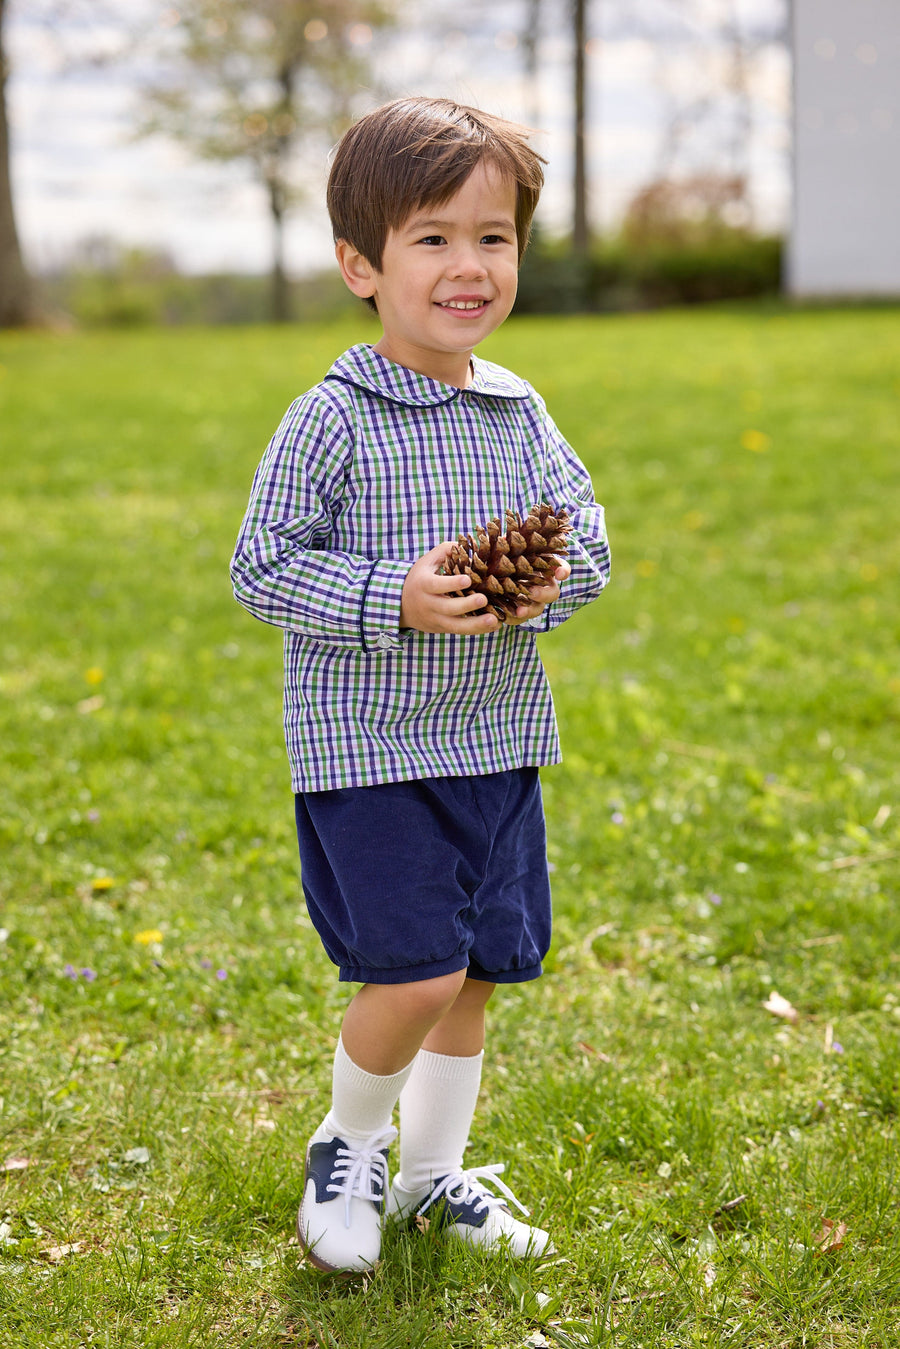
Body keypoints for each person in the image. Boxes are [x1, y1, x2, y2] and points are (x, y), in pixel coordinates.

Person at [230, 96, 611, 1275]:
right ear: (362, 265)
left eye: (493, 237)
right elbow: (261, 564)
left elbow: (590, 534)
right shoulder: (333, 417)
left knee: (476, 976)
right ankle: (348, 1144)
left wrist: (549, 583)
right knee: (416, 970)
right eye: (432, 238)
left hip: (495, 741)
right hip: (371, 749)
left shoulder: (519, 411)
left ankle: (434, 1176)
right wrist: (389, 595)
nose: (469, 265)